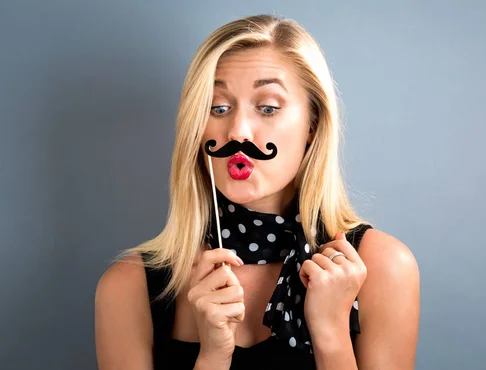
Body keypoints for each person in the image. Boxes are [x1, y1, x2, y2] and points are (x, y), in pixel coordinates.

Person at [95, 14, 420, 370]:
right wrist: (213, 357)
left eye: (267, 107)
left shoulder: (382, 269)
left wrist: (331, 334)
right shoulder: (129, 288)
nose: (238, 132)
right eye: (218, 107)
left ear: (312, 124)